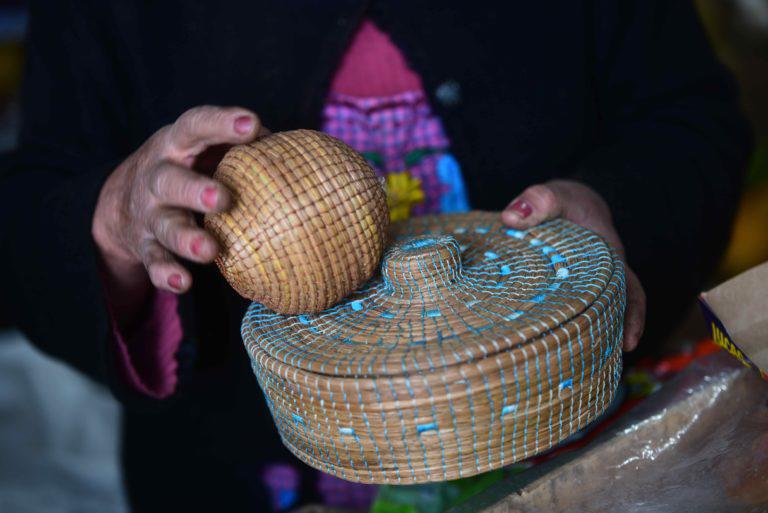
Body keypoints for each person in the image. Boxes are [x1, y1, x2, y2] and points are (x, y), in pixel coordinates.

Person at [0, 1, 751, 511]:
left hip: (577, 468)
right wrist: (111, 221)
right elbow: (29, 211)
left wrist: (612, 206)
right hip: (239, 480)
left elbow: (692, 118)